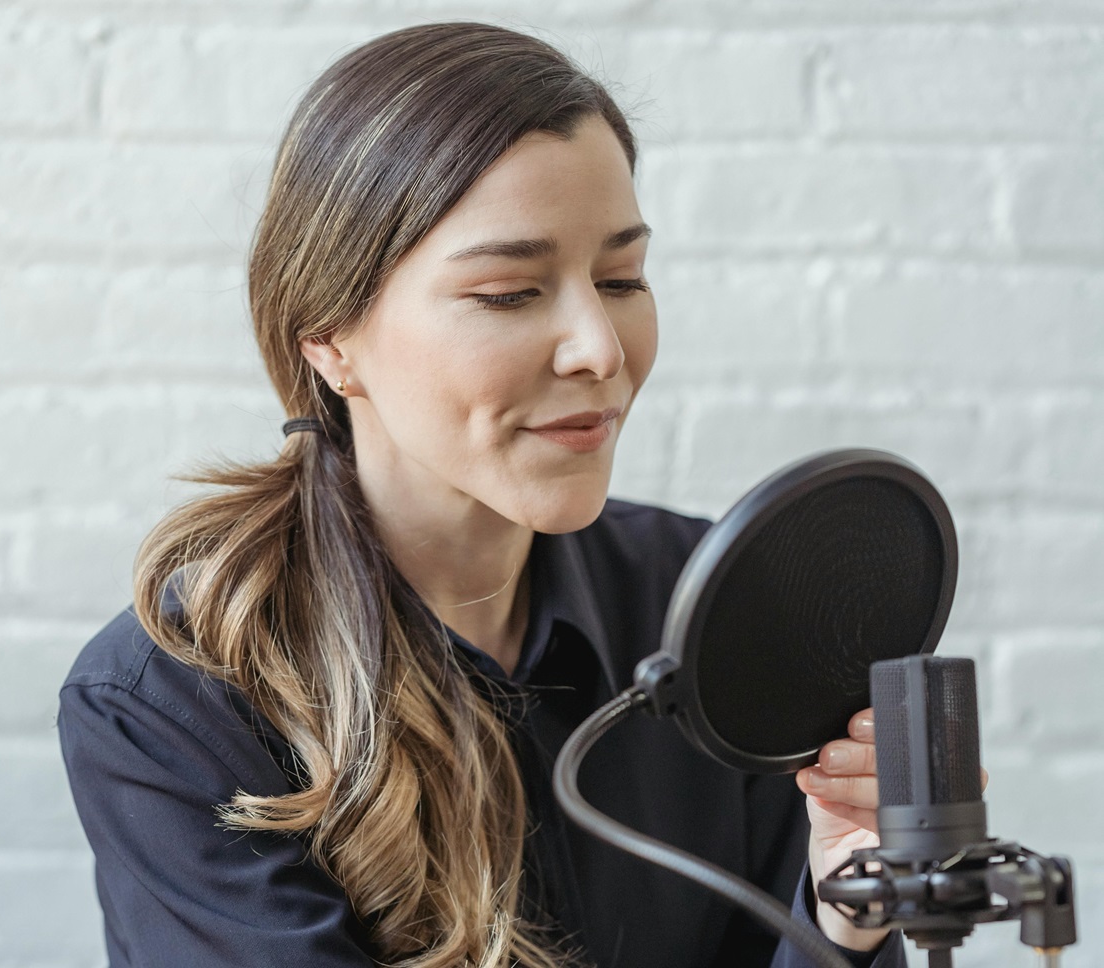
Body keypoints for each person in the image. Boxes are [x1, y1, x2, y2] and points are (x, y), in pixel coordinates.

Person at [58, 22, 906, 968]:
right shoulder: (174, 697)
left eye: (621, 278)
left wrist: (845, 914)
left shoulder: (720, 610)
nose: (601, 349)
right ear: (329, 337)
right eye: (507, 292)